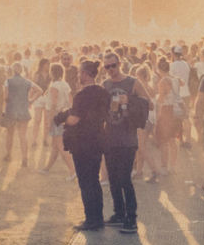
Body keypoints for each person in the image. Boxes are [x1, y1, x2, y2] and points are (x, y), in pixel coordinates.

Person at [60, 60, 111, 231]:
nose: (77, 76)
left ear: (84, 74)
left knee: (85, 181)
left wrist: (62, 118)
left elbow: (74, 119)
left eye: (79, 72)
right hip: (98, 139)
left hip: (82, 142)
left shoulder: (81, 96)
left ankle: (91, 219)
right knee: (94, 180)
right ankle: (98, 217)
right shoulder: (103, 93)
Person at [102, 52, 150, 233]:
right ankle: (118, 213)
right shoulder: (105, 85)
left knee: (124, 179)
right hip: (110, 136)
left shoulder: (132, 82)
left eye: (113, 65)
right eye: (107, 67)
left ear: (119, 63)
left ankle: (132, 218)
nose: (110, 70)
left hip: (128, 138)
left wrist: (129, 99)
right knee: (113, 179)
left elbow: (149, 103)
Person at [1, 62, 41, 167]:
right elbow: (40, 90)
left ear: (12, 70)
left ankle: (8, 155)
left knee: (10, 134)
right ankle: (24, 158)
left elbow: (5, 97)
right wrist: (31, 100)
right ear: (22, 70)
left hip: (11, 111)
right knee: (23, 135)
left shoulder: (7, 81)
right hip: (23, 110)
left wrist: (4, 110)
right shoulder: (27, 81)